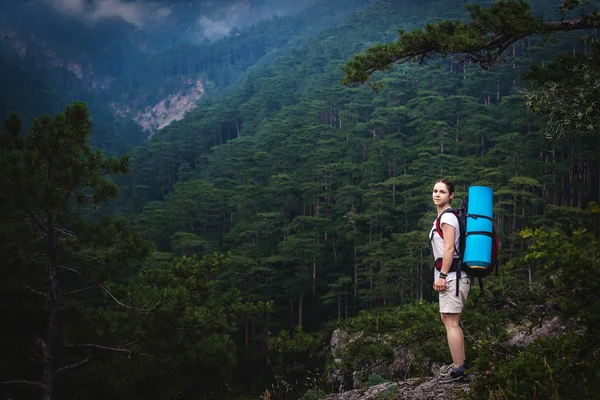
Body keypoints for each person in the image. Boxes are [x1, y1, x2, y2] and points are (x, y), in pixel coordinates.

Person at [430, 179, 470, 383]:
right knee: (448, 320)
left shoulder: (447, 218)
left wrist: (443, 276)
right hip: (454, 275)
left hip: (452, 276)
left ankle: (458, 369)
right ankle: (459, 364)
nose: (437, 195)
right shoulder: (446, 217)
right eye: (435, 191)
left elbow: (448, 249)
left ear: (451, 195)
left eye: (442, 192)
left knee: (452, 322)